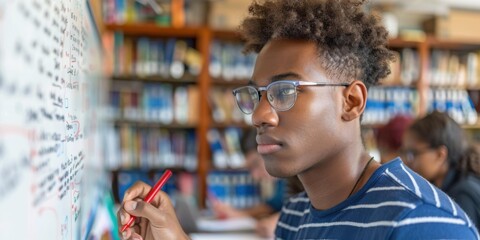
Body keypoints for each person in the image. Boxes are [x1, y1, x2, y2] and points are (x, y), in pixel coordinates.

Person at [117, 0, 479, 239]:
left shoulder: (420, 224)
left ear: (350, 101)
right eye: (256, 95)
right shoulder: (297, 213)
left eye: (285, 91)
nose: (259, 115)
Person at [403, 111, 480, 230]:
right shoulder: (446, 185)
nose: (407, 161)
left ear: (440, 154)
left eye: (413, 153)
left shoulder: (461, 196)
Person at [210, 129, 285, 238]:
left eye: (256, 164)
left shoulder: (296, 177)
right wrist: (237, 213)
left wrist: (281, 220)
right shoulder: (281, 182)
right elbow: (270, 206)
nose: (254, 176)